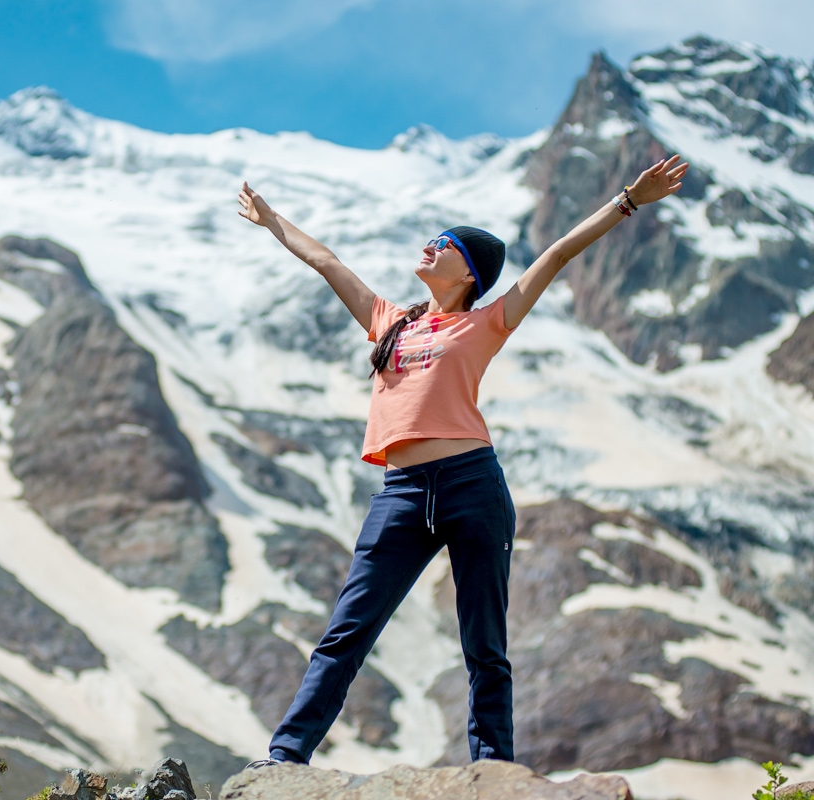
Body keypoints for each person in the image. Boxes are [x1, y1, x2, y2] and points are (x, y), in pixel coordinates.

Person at [237, 155, 688, 767]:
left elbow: (554, 256)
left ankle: (491, 771)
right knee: (347, 632)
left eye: (442, 245)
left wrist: (629, 202)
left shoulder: (484, 323)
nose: (429, 247)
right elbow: (326, 262)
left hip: (472, 486)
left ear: (469, 272)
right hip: (400, 494)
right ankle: (286, 756)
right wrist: (271, 221)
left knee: (484, 645)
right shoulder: (389, 323)